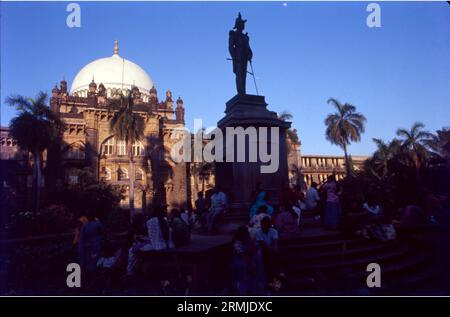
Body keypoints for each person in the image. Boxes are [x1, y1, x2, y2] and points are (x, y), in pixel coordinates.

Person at [230, 226, 264, 295]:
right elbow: (241, 255)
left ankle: (258, 285)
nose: (247, 233)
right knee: (243, 266)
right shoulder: (237, 242)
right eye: (245, 232)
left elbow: (254, 249)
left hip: (249, 259)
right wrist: (251, 263)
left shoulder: (249, 240)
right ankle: (242, 289)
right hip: (240, 261)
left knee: (258, 259)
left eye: (247, 232)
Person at [255, 217, 279, 282]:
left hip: (271, 249)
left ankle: (275, 273)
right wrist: (272, 250)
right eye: (263, 224)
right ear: (261, 224)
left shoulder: (274, 231)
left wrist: (275, 249)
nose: (265, 226)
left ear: (269, 225)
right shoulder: (258, 232)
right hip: (261, 249)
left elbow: (275, 242)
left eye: (267, 224)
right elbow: (263, 244)